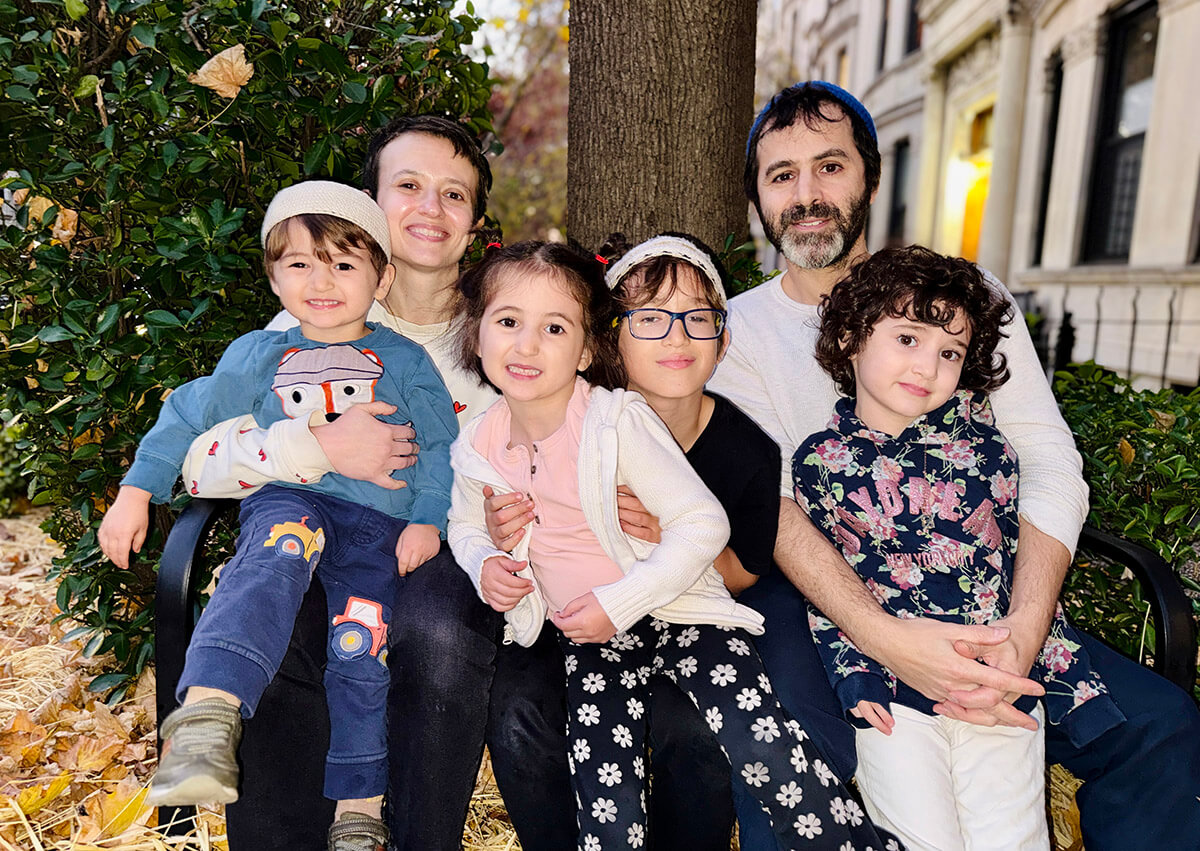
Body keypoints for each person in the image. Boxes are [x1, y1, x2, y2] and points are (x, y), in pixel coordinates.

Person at [176, 117, 738, 850]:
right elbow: (199, 464)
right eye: (408, 185)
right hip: (318, 532)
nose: (430, 208)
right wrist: (311, 445)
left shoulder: (508, 327)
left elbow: (576, 448)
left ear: (474, 222)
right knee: (284, 618)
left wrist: (559, 513)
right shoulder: (312, 317)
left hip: (445, 552)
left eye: (454, 194)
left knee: (438, 630)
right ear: (372, 205)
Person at [707, 80, 1200, 851]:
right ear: (757, 199)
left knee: (1158, 727)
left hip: (986, 601)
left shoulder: (965, 300)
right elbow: (770, 503)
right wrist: (886, 639)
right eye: (782, 175)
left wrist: (1023, 629)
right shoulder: (737, 334)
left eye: (830, 166)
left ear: (872, 178)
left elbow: (1047, 461)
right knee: (791, 742)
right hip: (831, 612)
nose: (807, 195)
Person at [446, 240, 901, 849]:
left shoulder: (617, 422)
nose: (527, 346)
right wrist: (483, 561)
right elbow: (464, 524)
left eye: (553, 328)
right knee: (607, 796)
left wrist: (624, 597)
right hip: (594, 634)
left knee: (765, 747)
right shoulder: (478, 442)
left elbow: (705, 525)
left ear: (586, 350)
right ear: (476, 336)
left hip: (685, 613)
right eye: (508, 323)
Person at [98, 181, 460, 851]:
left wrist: (427, 518)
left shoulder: (407, 361)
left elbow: (441, 444)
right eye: (299, 263)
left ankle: (358, 809)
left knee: (361, 649)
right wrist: (135, 490)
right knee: (270, 564)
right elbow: (186, 412)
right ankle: (207, 716)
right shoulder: (258, 356)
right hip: (292, 500)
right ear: (273, 276)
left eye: (343, 263)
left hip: (378, 532)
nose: (321, 281)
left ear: (381, 279)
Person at [794, 245, 1123, 848]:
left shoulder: (990, 454)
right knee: (918, 839)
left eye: (950, 352)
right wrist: (855, 678)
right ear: (849, 338)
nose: (928, 366)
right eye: (908, 339)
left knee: (1013, 838)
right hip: (893, 693)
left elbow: (1011, 573)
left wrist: (1061, 680)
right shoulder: (819, 463)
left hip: (994, 683)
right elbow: (828, 589)